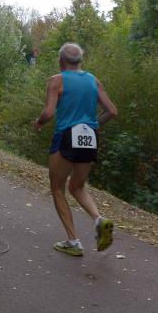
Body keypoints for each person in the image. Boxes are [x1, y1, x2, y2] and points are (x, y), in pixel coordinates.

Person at [34, 42, 118, 257]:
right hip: (90, 137)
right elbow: (112, 111)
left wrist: (39, 122)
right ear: (80, 61)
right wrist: (93, 125)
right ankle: (99, 219)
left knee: (57, 188)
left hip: (66, 135)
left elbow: (49, 112)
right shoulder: (93, 80)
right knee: (77, 186)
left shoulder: (57, 80)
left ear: (61, 61)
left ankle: (73, 241)